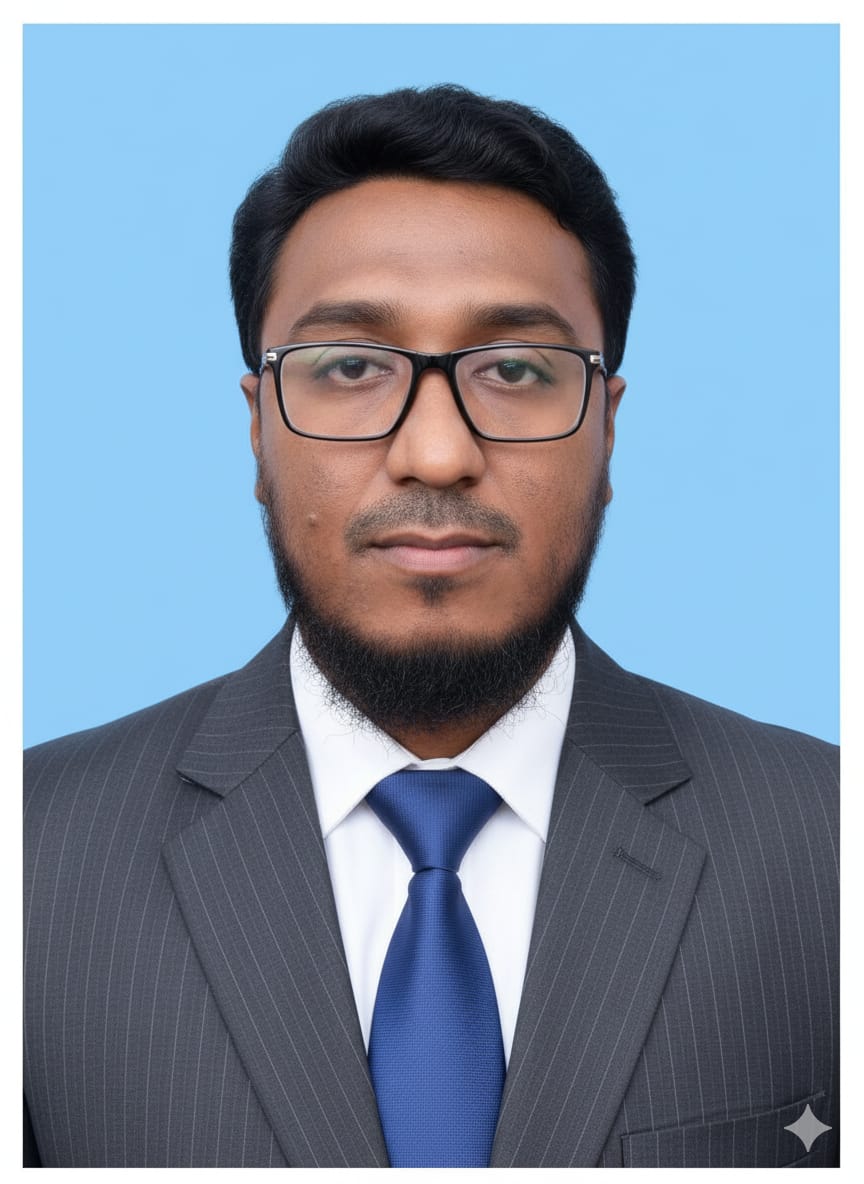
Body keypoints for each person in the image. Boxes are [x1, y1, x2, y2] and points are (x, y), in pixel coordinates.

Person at [23, 84, 838, 1169]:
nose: (438, 454)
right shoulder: (30, 855)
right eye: (351, 367)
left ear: (606, 430)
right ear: (259, 428)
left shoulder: (830, 842)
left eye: (515, 370)